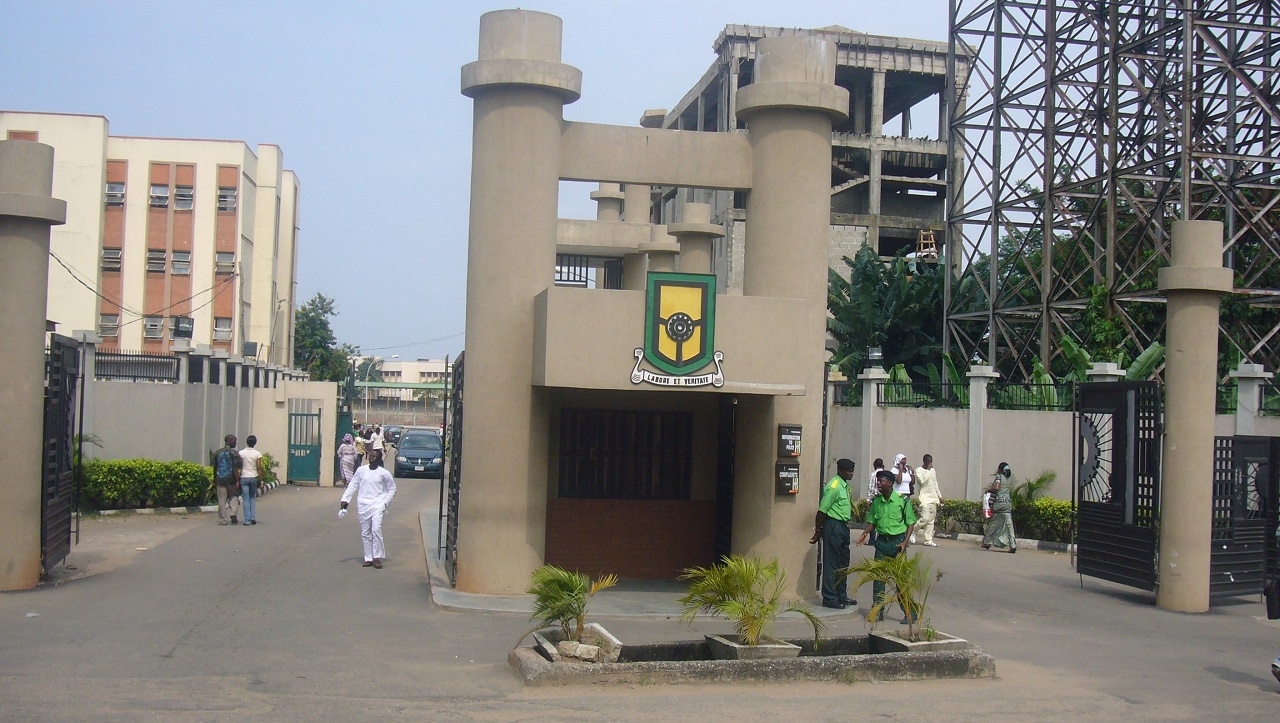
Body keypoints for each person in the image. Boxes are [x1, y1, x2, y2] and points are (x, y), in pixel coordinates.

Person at [857, 469, 917, 622]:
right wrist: (864, 534)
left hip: (897, 544)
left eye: (881, 481)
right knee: (879, 579)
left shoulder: (902, 500)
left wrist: (905, 542)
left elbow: (910, 522)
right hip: (881, 543)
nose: (878, 483)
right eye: (878, 481)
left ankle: (910, 613)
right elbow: (873, 521)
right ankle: (878, 610)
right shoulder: (877, 501)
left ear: (890, 483)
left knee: (900, 581)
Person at [809, 458, 856, 609]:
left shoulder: (845, 486)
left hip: (843, 527)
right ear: (840, 470)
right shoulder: (834, 486)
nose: (851, 474)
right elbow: (822, 510)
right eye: (849, 471)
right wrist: (818, 530)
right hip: (833, 525)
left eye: (852, 471)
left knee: (843, 562)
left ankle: (841, 595)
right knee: (831, 562)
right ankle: (829, 597)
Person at [339, 448, 397, 569]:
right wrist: (345, 500)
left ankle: (376, 557)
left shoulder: (384, 473)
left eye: (374, 455)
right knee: (365, 533)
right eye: (370, 455)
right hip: (363, 505)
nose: (371, 457)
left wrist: (385, 503)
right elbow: (353, 485)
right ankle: (368, 558)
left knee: (376, 530)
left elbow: (392, 488)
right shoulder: (361, 470)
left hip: (378, 505)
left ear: (379, 458)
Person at [983, 462, 1017, 552]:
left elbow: (997, 488)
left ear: (1000, 469)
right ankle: (1013, 545)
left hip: (999, 504)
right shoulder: (1008, 478)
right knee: (1009, 525)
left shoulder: (999, 476)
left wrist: (989, 490)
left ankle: (987, 542)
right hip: (1007, 504)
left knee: (994, 523)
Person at [212, 434, 242, 526]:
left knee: (221, 500)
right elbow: (235, 468)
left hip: (220, 479)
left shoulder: (217, 453)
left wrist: (214, 478)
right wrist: (237, 480)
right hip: (231, 479)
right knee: (234, 497)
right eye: (235, 441)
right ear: (231, 441)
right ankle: (233, 513)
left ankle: (222, 519)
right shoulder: (234, 453)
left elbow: (215, 467)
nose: (236, 443)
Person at [914, 454, 942, 546]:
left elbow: (935, 483)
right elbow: (921, 481)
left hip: (933, 498)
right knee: (924, 519)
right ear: (924, 461)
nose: (930, 463)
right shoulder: (919, 470)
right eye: (928, 461)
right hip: (924, 498)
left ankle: (928, 540)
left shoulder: (933, 470)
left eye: (931, 461)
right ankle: (912, 532)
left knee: (930, 521)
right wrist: (928, 471)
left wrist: (939, 496)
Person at [238, 435, 264, 526]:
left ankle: (247, 520)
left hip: (244, 477)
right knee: (252, 497)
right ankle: (253, 517)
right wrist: (261, 480)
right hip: (253, 477)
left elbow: (240, 466)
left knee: (246, 498)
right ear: (255, 443)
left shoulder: (241, 453)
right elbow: (259, 467)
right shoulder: (257, 454)